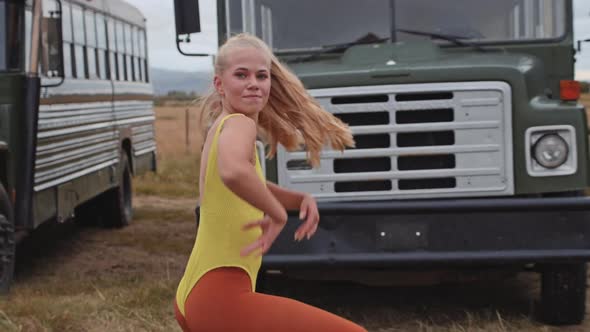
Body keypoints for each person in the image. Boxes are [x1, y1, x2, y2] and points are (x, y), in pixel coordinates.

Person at [174, 33, 367, 332]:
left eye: (261, 76)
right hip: (219, 294)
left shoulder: (222, 127)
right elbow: (234, 173)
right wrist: (277, 213)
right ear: (219, 84)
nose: (253, 82)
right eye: (241, 74)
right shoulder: (239, 124)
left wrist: (295, 199)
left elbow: (244, 183)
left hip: (199, 289)